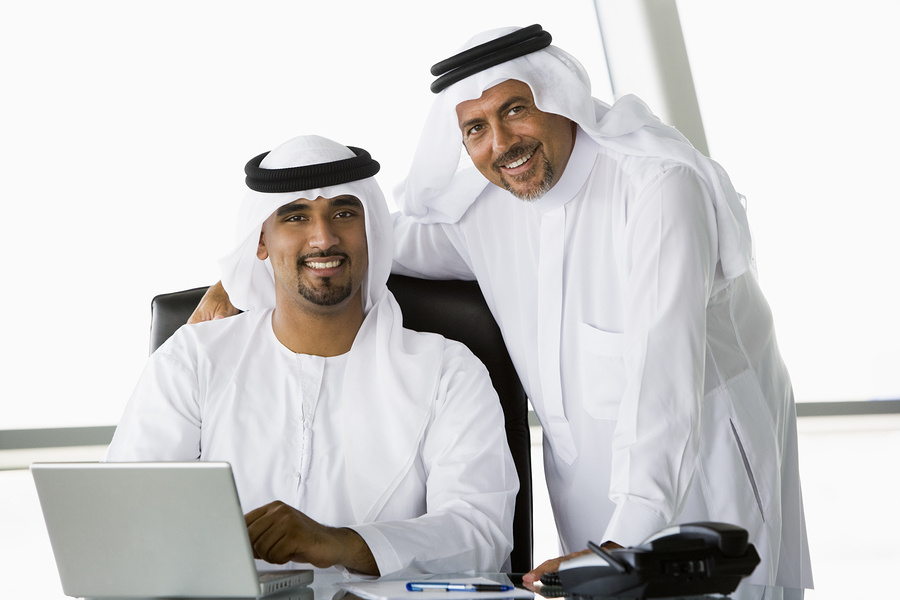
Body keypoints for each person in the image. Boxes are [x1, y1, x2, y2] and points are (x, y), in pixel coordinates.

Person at [191, 26, 813, 591]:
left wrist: (625, 545)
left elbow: (666, 379)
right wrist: (235, 279)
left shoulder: (656, 188)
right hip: (587, 487)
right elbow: (367, 240)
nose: (501, 143)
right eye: (475, 128)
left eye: (516, 110)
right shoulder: (482, 213)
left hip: (703, 462)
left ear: (558, 97)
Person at [105, 135, 518, 578]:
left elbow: (479, 536)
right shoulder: (193, 360)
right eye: (296, 216)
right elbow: (123, 523)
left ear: (372, 232)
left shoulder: (448, 372)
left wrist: (339, 543)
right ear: (261, 241)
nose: (323, 238)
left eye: (343, 213)